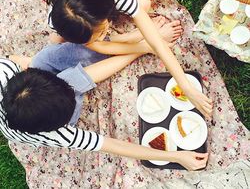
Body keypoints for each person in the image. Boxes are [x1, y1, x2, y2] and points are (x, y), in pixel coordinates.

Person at [43, 0, 213, 119]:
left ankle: (134, 35)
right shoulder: (56, 19)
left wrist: (186, 86)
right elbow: (100, 46)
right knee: (54, 42)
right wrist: (143, 46)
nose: (103, 35)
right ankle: (134, 36)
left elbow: (157, 42)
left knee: (144, 3)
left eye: (102, 31)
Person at [0, 46, 208, 171]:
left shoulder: (5, 69)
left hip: (21, 77)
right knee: (74, 79)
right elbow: (114, 146)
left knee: (72, 78)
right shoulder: (57, 135)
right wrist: (177, 157)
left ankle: (140, 49)